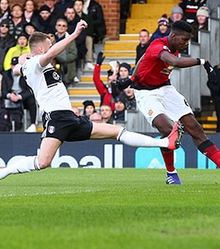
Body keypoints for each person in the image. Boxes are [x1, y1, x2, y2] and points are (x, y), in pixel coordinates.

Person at [0, 20, 181, 182]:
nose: (52, 49)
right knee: (42, 162)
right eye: (49, 46)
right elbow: (46, 55)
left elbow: (17, 69)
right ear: (40, 50)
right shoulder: (35, 63)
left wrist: (21, 63)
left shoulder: (31, 63)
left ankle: (166, 142)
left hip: (69, 117)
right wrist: (74, 34)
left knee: (117, 131)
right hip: (56, 118)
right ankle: (5, 172)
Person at [129, 20, 220, 184]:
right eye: (184, 40)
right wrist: (202, 61)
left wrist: (132, 77)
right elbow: (174, 62)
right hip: (146, 94)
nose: (186, 44)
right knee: (167, 129)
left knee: (195, 128)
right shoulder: (158, 45)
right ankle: (171, 174)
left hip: (165, 89)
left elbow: (142, 61)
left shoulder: (175, 47)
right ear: (174, 35)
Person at [2, 56, 38, 132]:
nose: (14, 67)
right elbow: (4, 91)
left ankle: (33, 124)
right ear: (11, 66)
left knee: (31, 100)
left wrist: (19, 96)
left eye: (16, 65)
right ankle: (4, 126)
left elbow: (30, 90)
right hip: (10, 97)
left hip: (22, 97)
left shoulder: (26, 74)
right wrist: (10, 95)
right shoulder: (6, 74)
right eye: (13, 65)